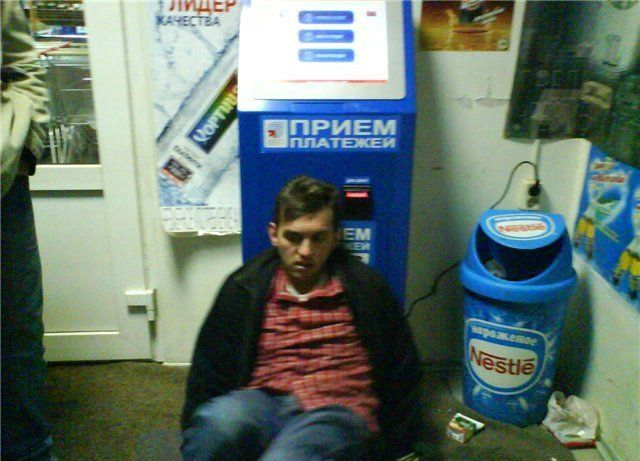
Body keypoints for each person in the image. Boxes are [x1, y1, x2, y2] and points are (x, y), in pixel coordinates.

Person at [181, 176, 423, 461]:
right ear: (274, 234)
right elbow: (209, 370)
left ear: (335, 237)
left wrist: (400, 449)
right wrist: (196, 428)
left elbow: (402, 371)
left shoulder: (366, 289)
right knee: (217, 426)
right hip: (264, 401)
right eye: (294, 237)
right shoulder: (244, 288)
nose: (305, 251)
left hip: (337, 409)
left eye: (318, 238)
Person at [1, 1, 52, 460]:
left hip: (2, 185)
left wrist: (23, 151)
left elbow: (21, 61)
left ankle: (29, 452)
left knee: (16, 330)